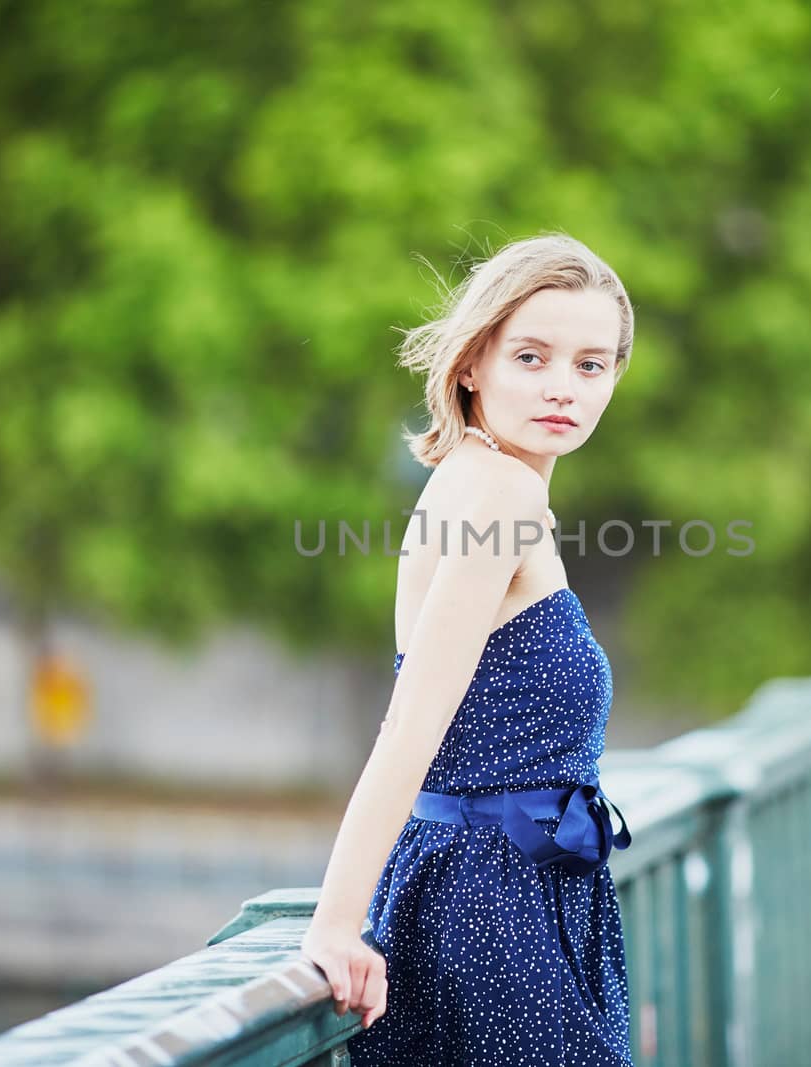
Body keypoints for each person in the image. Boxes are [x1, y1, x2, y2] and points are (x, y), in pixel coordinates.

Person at [297, 232, 638, 1065]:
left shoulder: (482, 480)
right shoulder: (501, 491)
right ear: (471, 365)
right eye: (532, 356)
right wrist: (337, 921)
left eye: (592, 365)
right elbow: (412, 720)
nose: (563, 387)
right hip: (492, 908)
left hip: (506, 893)